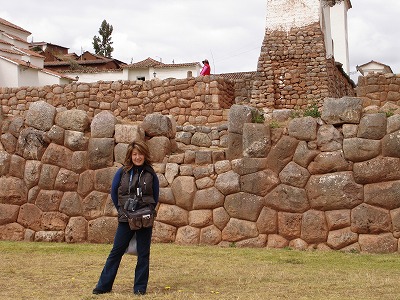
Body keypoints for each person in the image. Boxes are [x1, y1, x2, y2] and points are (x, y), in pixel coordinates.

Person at [92, 140, 159, 296]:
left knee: (143, 253)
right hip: (126, 218)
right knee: (116, 251)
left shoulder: (150, 173)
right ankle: (103, 286)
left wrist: (147, 211)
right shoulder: (122, 172)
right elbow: (114, 192)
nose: (137, 157)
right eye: (134, 154)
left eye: (140, 154)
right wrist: (121, 210)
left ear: (145, 155)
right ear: (130, 155)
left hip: (144, 218)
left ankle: (140, 288)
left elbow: (155, 195)